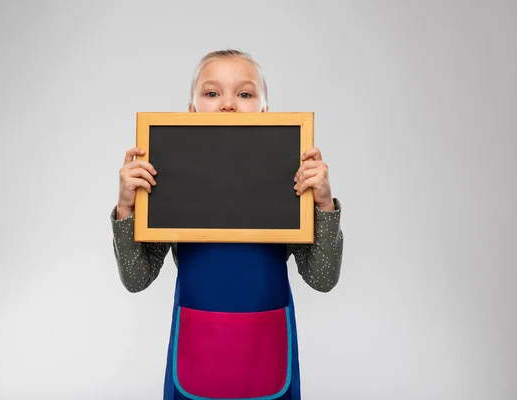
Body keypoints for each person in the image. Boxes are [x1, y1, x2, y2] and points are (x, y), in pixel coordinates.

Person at [110, 49, 344, 400]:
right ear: (191, 111)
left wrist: (323, 204)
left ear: (265, 111)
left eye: (245, 94)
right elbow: (136, 279)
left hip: (266, 344)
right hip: (197, 343)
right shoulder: (170, 178)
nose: (228, 104)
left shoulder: (289, 178)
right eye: (212, 93)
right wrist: (127, 208)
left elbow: (322, 279)